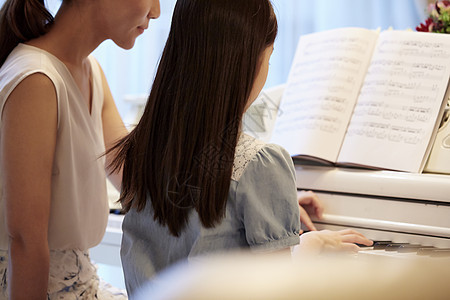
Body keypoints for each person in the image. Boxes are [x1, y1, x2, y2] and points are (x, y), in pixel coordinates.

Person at [108, 0, 373, 296]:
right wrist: (310, 246)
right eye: (269, 57)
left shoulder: (138, 152)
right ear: (247, 63)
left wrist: (271, 198)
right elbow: (277, 288)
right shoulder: (261, 163)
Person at [0, 0, 160, 298]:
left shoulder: (90, 71)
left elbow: (135, 182)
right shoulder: (36, 79)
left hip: (80, 282)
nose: (156, 11)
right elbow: (24, 242)